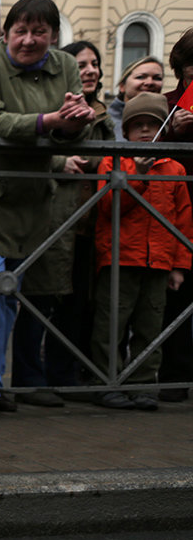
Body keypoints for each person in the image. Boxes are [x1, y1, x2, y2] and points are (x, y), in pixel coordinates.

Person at [0, 0, 95, 418]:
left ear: (53, 36)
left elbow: (72, 135)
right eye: (21, 30)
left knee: (15, 295)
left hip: (34, 199)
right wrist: (50, 122)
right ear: (8, 31)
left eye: (40, 32)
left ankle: (1, 381)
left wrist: (74, 125)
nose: (29, 40)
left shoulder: (65, 66)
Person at [11, 40, 115, 406]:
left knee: (76, 303)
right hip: (51, 216)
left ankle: (64, 374)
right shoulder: (51, 110)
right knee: (41, 297)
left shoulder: (103, 117)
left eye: (95, 63)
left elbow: (115, 162)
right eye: (81, 64)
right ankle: (28, 377)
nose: (90, 70)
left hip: (92, 220)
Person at [92, 93, 192, 410]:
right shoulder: (113, 162)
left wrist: (180, 265)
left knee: (151, 328)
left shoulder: (174, 169)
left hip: (159, 262)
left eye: (152, 125)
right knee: (111, 326)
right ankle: (106, 382)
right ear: (127, 131)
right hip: (120, 259)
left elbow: (183, 222)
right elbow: (108, 207)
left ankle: (143, 384)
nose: (146, 132)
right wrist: (136, 176)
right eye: (139, 126)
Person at [157, 28, 193, 402]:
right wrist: (174, 132)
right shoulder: (168, 105)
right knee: (177, 295)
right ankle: (174, 375)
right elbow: (150, 151)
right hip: (175, 214)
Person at [107, 56, 164, 140]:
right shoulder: (104, 121)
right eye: (141, 77)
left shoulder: (169, 121)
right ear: (122, 86)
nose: (149, 82)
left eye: (157, 78)